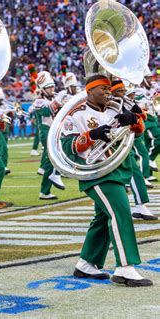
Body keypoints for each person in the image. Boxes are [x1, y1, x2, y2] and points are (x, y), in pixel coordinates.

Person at [62, 75, 152, 287]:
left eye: (109, 88)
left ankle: (86, 262)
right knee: (120, 212)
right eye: (103, 89)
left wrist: (134, 121)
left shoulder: (115, 109)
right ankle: (125, 267)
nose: (108, 92)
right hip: (96, 173)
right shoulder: (75, 114)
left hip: (118, 169)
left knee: (103, 217)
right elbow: (67, 147)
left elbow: (137, 134)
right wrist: (92, 135)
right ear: (90, 91)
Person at [110, 80, 157, 220]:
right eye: (119, 91)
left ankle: (140, 205)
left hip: (122, 141)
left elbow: (143, 118)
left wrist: (137, 113)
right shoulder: (106, 104)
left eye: (123, 91)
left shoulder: (126, 102)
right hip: (107, 142)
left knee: (133, 170)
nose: (123, 94)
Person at [32, 71, 65, 199]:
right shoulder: (39, 102)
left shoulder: (53, 98)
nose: (52, 89)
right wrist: (58, 100)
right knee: (56, 155)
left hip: (55, 131)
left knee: (50, 162)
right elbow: (48, 110)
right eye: (49, 87)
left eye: (52, 86)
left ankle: (45, 191)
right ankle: (54, 176)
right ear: (42, 89)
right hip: (46, 132)